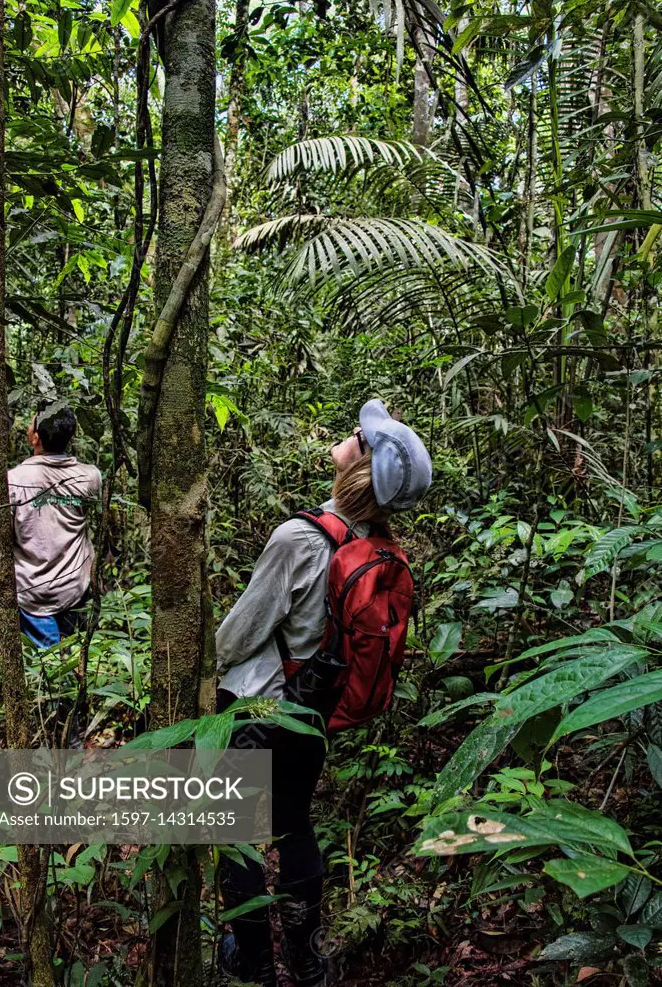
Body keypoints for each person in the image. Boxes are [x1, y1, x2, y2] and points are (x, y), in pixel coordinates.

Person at [215, 399, 432, 987]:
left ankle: (254, 960)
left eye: (356, 435)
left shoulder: (300, 537)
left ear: (359, 466)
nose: (349, 434)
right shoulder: (377, 545)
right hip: (313, 712)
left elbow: (238, 636)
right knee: (294, 824)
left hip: (258, 706)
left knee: (235, 832)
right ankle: (306, 959)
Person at [0, 400, 102, 649]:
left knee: (46, 675)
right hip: (75, 589)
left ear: (36, 437)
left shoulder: (13, 481)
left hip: (32, 595)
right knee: (74, 666)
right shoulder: (90, 477)